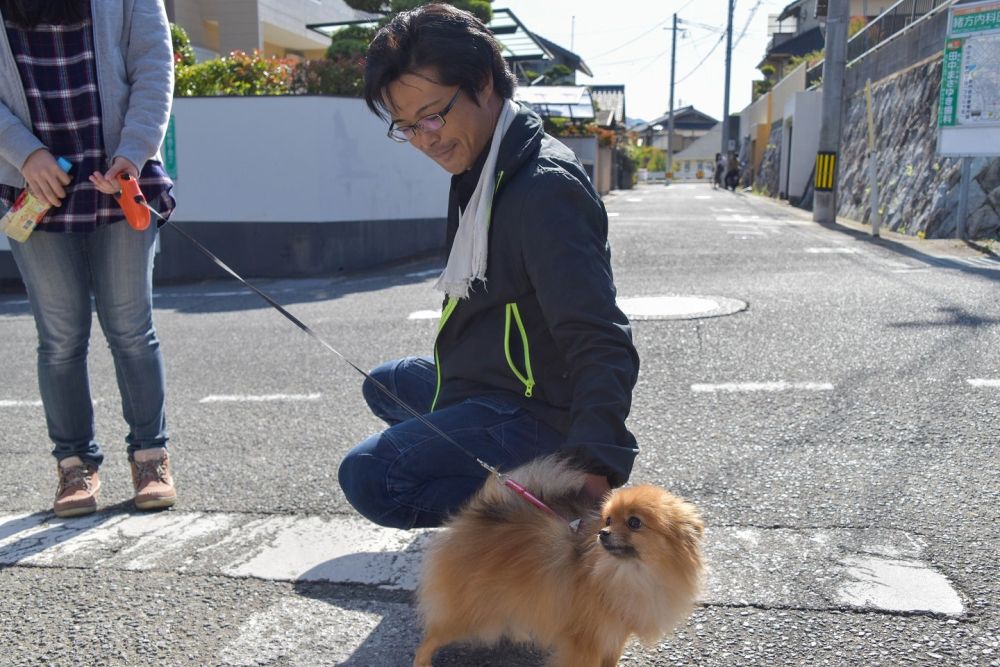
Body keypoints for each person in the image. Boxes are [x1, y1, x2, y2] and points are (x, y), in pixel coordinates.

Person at [338, 3, 640, 530]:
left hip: (538, 407)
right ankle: (504, 481)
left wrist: (594, 464)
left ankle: (543, 506)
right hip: (493, 381)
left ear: (482, 82)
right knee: (385, 384)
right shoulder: (484, 161)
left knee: (371, 476)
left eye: (433, 115)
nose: (425, 138)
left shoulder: (543, 188)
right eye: (406, 127)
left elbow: (600, 336)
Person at [0, 0, 177, 517]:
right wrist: (24, 154)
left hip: (119, 179)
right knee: (59, 339)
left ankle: (150, 457)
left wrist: (135, 150)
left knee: (130, 328)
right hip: (30, 186)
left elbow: (153, 64)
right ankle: (73, 467)